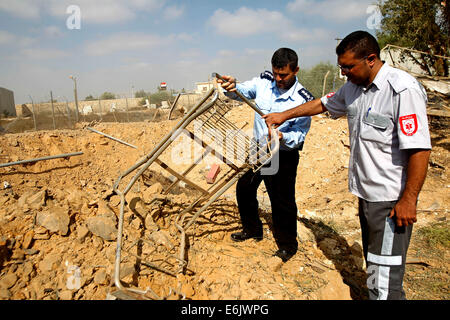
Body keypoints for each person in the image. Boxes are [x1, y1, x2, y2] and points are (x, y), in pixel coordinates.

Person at [264, 31, 431, 299]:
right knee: (375, 264)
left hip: (390, 201)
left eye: (349, 66)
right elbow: (322, 104)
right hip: (366, 196)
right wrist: (284, 114)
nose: (344, 73)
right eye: (341, 67)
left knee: (386, 279)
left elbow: (420, 148)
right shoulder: (354, 88)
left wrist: (409, 199)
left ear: (372, 59)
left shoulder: (402, 89)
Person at [217, 48, 314, 262]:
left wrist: (282, 137)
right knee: (245, 187)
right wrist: (231, 86)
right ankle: (252, 230)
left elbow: (299, 135)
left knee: (281, 200)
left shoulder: (303, 99)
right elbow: (241, 92)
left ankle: (288, 245)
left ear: (296, 70)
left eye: (284, 75)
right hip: (259, 149)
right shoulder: (264, 81)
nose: (278, 79)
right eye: (276, 73)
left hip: (283, 154)